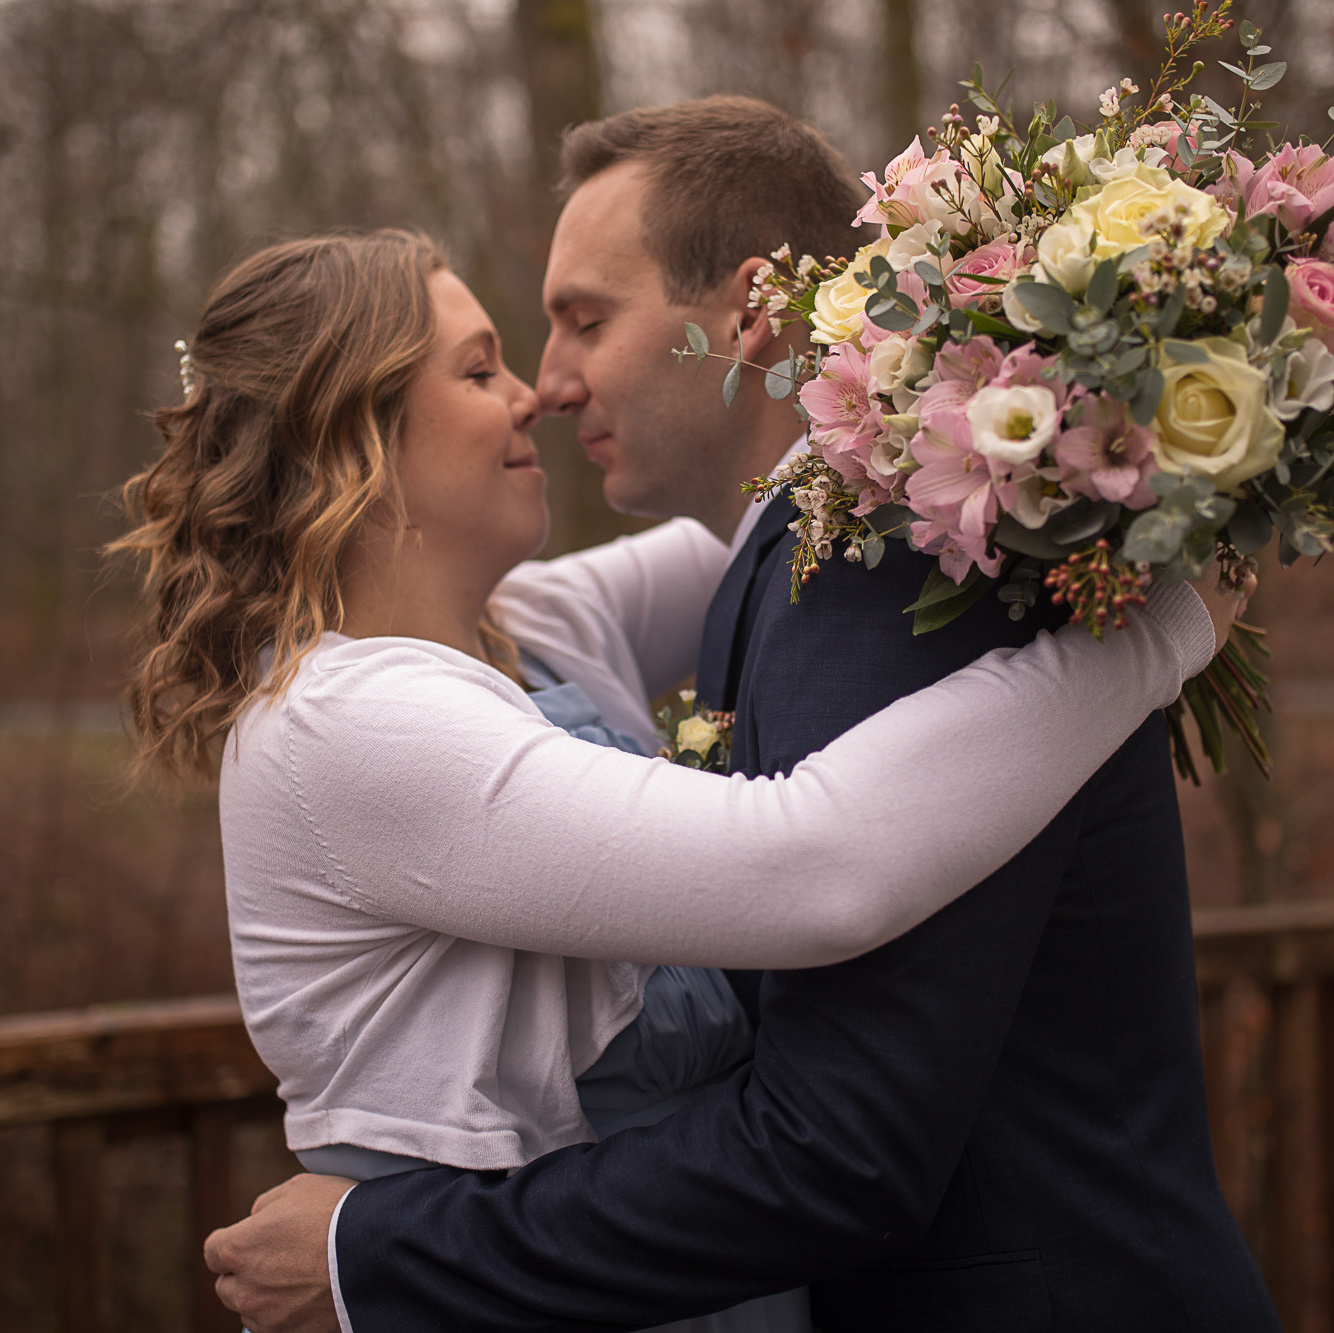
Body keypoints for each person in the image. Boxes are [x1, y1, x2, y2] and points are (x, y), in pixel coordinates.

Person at [203, 102, 1277, 1333]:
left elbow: (766, 503)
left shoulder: (720, 587)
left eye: (580, 322)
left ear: (752, 309)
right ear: (351, 436)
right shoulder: (350, 719)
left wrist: (1020, 411)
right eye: (484, 364)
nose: (542, 389)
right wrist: (1154, 634)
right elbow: (808, 857)